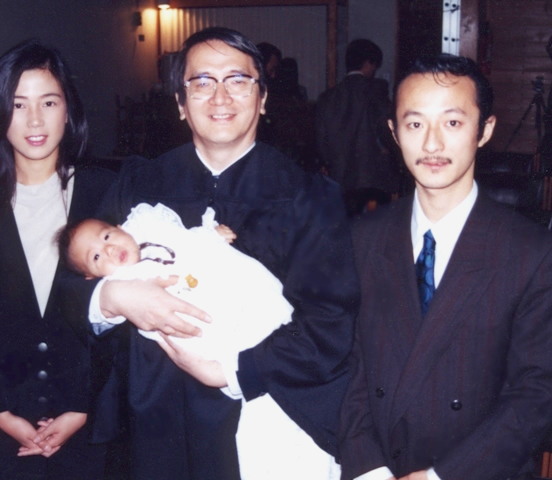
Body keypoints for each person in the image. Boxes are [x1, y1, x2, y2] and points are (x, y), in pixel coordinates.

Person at [65, 27, 358, 480]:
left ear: (263, 98)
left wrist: (233, 371)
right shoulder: (138, 185)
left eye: (238, 80)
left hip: (263, 415)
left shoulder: (307, 196)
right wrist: (112, 297)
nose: (220, 97)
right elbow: (69, 283)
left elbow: (332, 321)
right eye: (201, 82)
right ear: (181, 104)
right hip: (153, 420)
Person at [338, 53, 552, 480]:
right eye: (415, 124)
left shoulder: (532, 251)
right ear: (394, 132)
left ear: (484, 130)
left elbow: (537, 390)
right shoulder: (360, 237)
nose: (432, 144)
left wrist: (441, 476)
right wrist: (369, 467)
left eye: (452, 123)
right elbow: (346, 364)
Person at [0, 40, 114, 479]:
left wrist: (84, 406)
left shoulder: (105, 191)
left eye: (48, 102)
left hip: (88, 419)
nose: (35, 120)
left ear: (68, 110)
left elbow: (122, 318)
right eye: (17, 105)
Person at [60, 202, 341, 479]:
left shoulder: (153, 230)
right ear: (91, 277)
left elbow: (188, 241)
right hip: (221, 347)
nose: (109, 249)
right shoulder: (127, 279)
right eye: (96, 257)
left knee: (301, 414)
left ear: (120, 227)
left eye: (107, 236)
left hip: (261, 313)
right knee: (267, 437)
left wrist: (210, 236)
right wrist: (116, 295)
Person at [316, 39, 399, 216]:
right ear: (368, 63)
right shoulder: (376, 91)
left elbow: (321, 140)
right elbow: (387, 130)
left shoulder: (327, 97)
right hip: (373, 178)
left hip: (339, 177)